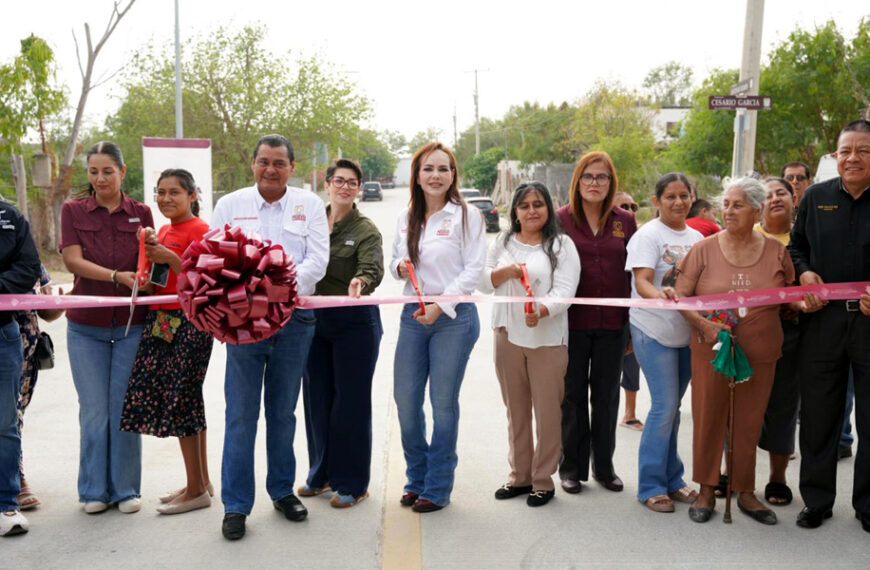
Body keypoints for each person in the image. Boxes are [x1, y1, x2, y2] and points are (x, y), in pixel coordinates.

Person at [675, 177, 816, 525]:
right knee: (708, 417)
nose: (728, 211)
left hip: (761, 348)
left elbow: (788, 295)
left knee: (749, 421)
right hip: (713, 347)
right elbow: (680, 297)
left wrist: (804, 303)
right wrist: (704, 325)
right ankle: (706, 489)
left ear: (756, 209)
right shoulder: (703, 249)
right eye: (726, 204)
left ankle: (746, 491)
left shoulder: (776, 251)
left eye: (737, 205)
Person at [211, 134, 329, 540]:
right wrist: (252, 297)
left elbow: (317, 260)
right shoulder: (230, 205)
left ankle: (281, 491)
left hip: (294, 321)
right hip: (242, 324)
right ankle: (236, 505)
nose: (271, 169)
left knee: (283, 413)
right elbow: (214, 258)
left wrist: (274, 291)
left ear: (292, 167)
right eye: (264, 161)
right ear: (253, 164)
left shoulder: (309, 205)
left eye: (279, 162)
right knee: (240, 415)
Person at [60, 141, 154, 515]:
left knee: (125, 408)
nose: (100, 179)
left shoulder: (141, 212)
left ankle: (126, 489)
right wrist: (116, 276)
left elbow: (149, 262)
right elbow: (72, 260)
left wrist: (148, 270)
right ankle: (93, 490)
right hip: (86, 328)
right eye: (94, 172)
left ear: (123, 172)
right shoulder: (72, 210)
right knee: (95, 411)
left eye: (108, 171)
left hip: (132, 325)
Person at [390, 142, 485, 513]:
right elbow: (396, 259)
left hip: (454, 318)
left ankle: (438, 486)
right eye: (428, 168)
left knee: (442, 403)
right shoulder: (407, 216)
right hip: (413, 314)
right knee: (406, 400)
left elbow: (473, 270)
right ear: (417, 175)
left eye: (443, 169)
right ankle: (416, 478)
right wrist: (399, 267)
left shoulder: (467, 216)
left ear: (453, 175)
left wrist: (440, 306)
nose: (435, 175)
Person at [790, 119, 870, 533]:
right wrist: (803, 273)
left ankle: (867, 505)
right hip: (822, 322)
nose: (853, 158)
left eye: (863, 151)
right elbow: (796, 247)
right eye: (846, 151)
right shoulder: (815, 197)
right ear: (835, 156)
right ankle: (817, 501)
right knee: (819, 415)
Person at [120, 168, 214, 515]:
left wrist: (171, 258)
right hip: (162, 320)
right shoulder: (162, 231)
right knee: (188, 401)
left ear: (192, 195)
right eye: (160, 192)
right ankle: (200, 482)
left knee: (183, 401)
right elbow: (154, 283)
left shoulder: (201, 230)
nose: (166, 199)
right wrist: (146, 258)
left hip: (189, 322)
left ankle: (196, 490)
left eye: (174, 192)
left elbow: (206, 280)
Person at [480, 182, 580, 507]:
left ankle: (542, 480)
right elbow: (482, 280)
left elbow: (565, 290)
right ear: (515, 211)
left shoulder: (561, 245)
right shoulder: (502, 241)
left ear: (548, 208)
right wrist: (504, 272)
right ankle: (519, 477)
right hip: (506, 334)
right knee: (516, 410)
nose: (531, 211)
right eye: (524, 206)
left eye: (538, 204)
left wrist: (542, 310)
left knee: (547, 412)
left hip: (546, 339)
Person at [300, 158, 384, 509]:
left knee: (350, 403)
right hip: (313, 321)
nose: (345, 187)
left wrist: (360, 281)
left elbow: (372, 267)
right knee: (317, 399)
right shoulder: (311, 221)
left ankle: (353, 483)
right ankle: (321, 473)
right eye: (339, 180)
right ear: (328, 184)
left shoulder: (365, 229)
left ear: (358, 189)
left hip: (354, 322)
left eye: (352, 182)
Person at [557, 150, 636, 495]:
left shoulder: (625, 221)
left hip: (613, 324)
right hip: (570, 324)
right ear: (577, 181)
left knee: (606, 397)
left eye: (602, 177)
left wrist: (632, 324)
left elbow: (633, 274)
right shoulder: (560, 220)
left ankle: (604, 467)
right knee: (572, 397)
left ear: (611, 182)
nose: (594, 183)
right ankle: (571, 468)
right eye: (588, 176)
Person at [626, 173, 703, 512]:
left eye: (684, 195)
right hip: (652, 329)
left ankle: (674, 479)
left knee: (674, 408)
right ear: (656, 201)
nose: (678, 202)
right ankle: (651, 485)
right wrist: (660, 296)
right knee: (664, 405)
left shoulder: (698, 237)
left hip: (686, 333)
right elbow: (642, 281)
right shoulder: (648, 235)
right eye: (670, 196)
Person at [754, 177, 800, 506]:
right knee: (737, 405)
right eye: (767, 195)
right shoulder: (746, 236)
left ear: (793, 199)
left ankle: (777, 478)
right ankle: (731, 472)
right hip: (747, 330)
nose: (774, 199)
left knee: (783, 406)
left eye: (781, 193)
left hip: (791, 333)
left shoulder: (805, 238)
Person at [0, 201, 41, 537]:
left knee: (5, 423)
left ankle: (5, 504)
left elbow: (29, 267)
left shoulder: (10, 216)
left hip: (5, 332)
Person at [15, 266, 64, 511]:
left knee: (14, 417)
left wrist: (61, 303)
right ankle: (16, 479)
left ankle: (14, 476)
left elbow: (46, 311)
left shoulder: (28, 258)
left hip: (25, 353)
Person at [613, 192, 643, 431]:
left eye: (634, 206)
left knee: (631, 363)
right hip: (604, 310)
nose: (630, 210)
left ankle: (630, 413)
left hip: (633, 308)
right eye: (624, 206)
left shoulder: (639, 236)